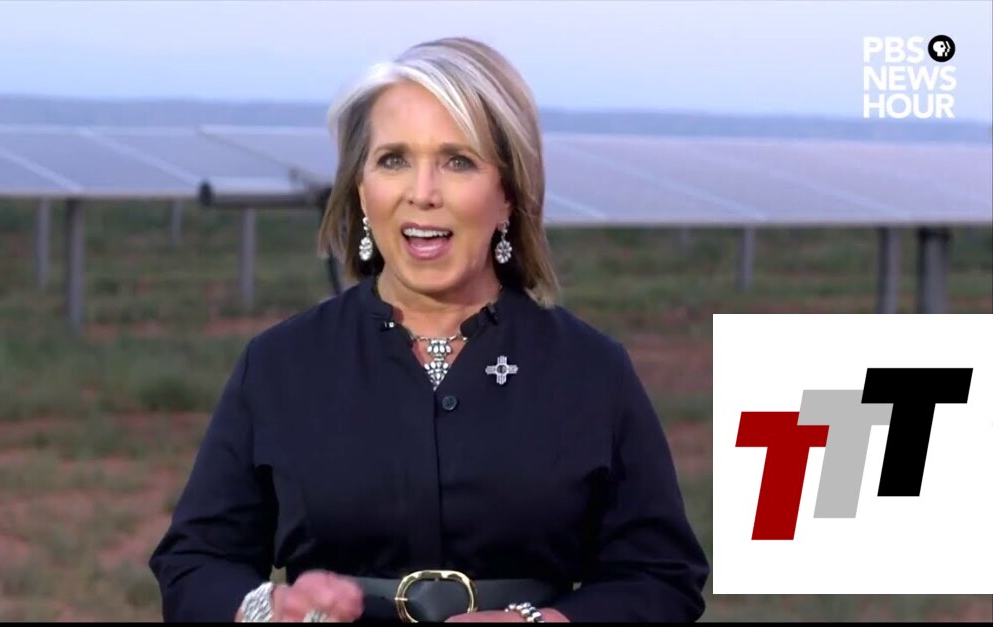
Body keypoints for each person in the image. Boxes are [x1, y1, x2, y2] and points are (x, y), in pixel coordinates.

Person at [149, 36, 710, 623]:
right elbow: (195, 563)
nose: (422, 193)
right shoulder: (280, 364)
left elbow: (661, 577)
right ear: (361, 188)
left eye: (457, 161)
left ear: (508, 194)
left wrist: (543, 624)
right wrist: (265, 611)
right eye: (393, 160)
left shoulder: (591, 372)